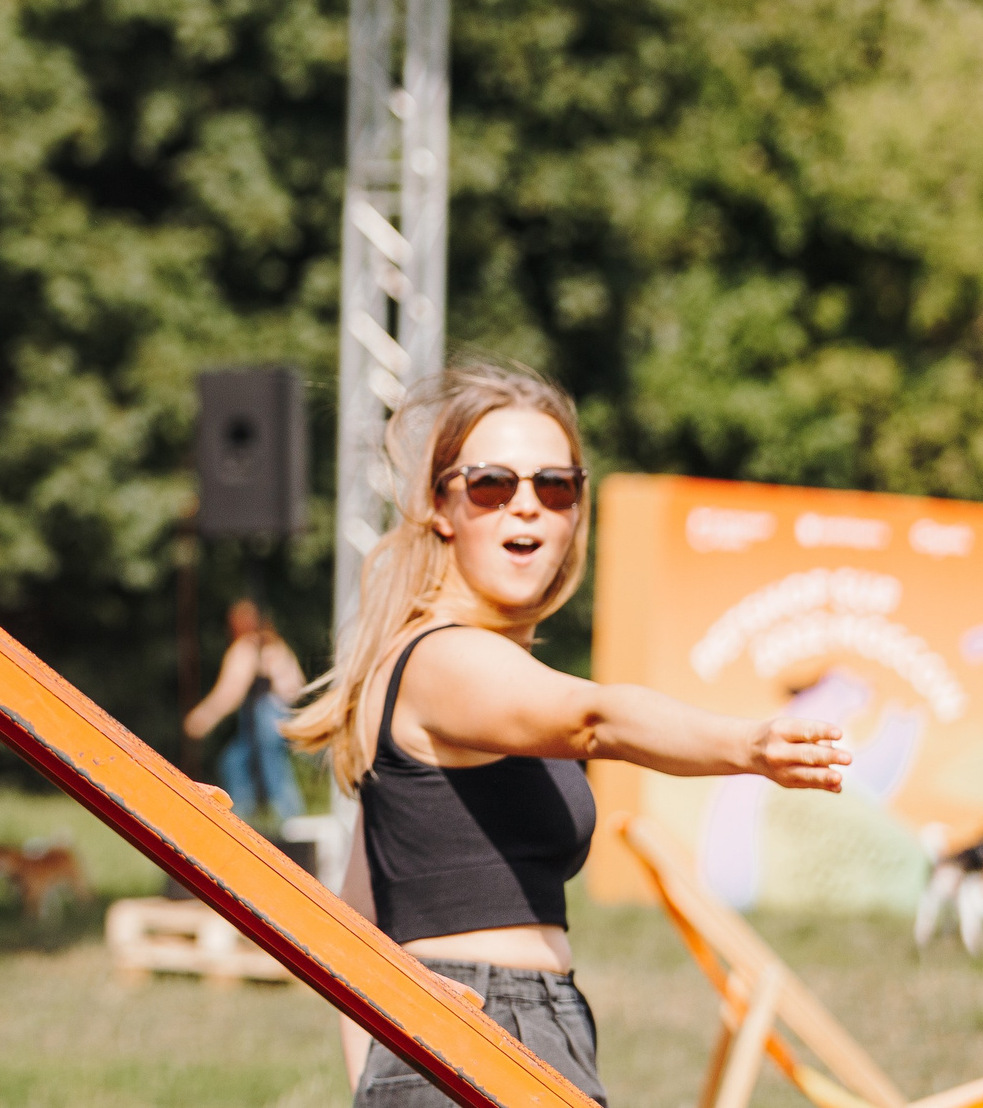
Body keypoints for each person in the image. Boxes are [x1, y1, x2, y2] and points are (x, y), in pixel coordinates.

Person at [283, 358, 850, 1106]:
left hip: (492, 1031)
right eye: (493, 484)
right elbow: (595, 719)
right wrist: (746, 746)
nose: (527, 506)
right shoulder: (443, 658)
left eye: (555, 487)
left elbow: (357, 912)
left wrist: (384, 1077)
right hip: (482, 1023)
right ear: (442, 506)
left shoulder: (447, 662)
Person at [183, 599, 307, 826]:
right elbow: (297, 685)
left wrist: (203, 717)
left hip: (266, 717)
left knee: (265, 768)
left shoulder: (246, 647)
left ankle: (268, 820)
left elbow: (231, 692)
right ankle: (268, 819)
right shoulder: (275, 644)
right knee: (238, 762)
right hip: (282, 716)